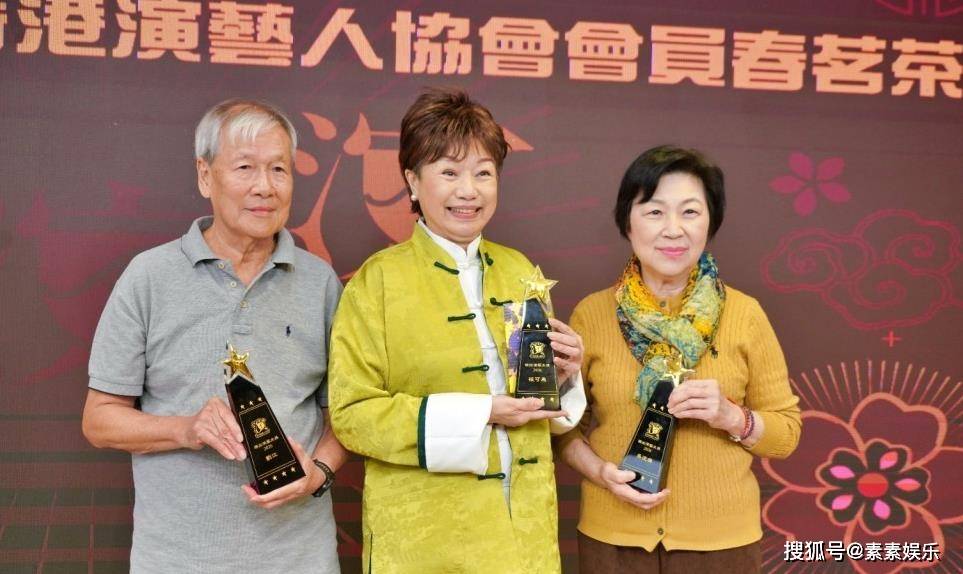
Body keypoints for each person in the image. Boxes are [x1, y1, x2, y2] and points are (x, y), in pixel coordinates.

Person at [81, 99, 346, 573]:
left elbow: (345, 417)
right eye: (245, 168)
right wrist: (185, 429)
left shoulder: (321, 283)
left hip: (299, 558)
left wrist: (319, 472)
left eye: (279, 169)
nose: (264, 186)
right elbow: (99, 420)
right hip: (178, 559)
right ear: (205, 176)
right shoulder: (149, 277)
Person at [328, 88, 587, 573]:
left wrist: (564, 375)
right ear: (412, 181)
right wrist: (481, 412)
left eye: (483, 173)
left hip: (525, 538)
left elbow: (543, 410)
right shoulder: (377, 281)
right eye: (449, 172)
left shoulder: (521, 272)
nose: (469, 190)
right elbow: (353, 415)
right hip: (427, 541)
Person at [557, 145, 802, 573]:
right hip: (613, 542)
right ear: (627, 222)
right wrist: (600, 473)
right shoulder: (592, 314)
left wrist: (731, 416)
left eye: (690, 212)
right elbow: (564, 429)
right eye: (654, 212)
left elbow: (786, 434)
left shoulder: (745, 314)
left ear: (710, 222)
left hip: (721, 548)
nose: (673, 230)